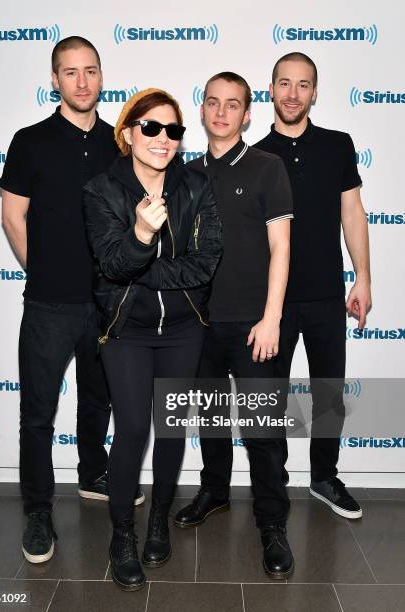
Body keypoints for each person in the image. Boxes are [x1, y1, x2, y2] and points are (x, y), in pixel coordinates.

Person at [0, 36, 143, 565]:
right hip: (48, 304)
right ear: (54, 79)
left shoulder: (120, 144)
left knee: (99, 397)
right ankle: (38, 510)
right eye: (70, 73)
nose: (82, 82)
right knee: (37, 413)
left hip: (108, 302)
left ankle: (92, 472)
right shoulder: (29, 141)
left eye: (90, 71)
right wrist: (42, 272)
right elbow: (13, 216)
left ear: (102, 76)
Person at [83, 88, 222, 591]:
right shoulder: (101, 190)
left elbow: (206, 264)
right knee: (134, 429)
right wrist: (141, 235)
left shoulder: (196, 185)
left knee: (169, 429)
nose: (163, 138)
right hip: (127, 331)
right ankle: (122, 534)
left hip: (184, 328)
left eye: (173, 130)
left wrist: (145, 270)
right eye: (151, 127)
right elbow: (113, 266)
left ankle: (158, 519)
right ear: (127, 134)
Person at [174, 73, 294, 579]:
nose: (221, 112)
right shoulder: (185, 173)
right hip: (198, 324)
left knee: (263, 430)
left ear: (247, 114)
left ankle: (272, 523)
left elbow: (280, 247)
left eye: (233, 105)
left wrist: (271, 319)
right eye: (212, 103)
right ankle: (215, 492)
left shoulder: (268, 167)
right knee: (212, 420)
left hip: (253, 325)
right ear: (201, 111)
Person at [254, 52, 372, 519]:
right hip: (273, 303)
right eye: (284, 83)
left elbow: (352, 213)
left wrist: (362, 276)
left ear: (315, 92)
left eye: (303, 85)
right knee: (272, 398)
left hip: (326, 295)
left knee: (328, 394)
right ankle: (274, 483)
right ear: (271, 89)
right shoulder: (255, 154)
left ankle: (324, 477)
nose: (292, 93)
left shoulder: (338, 145)